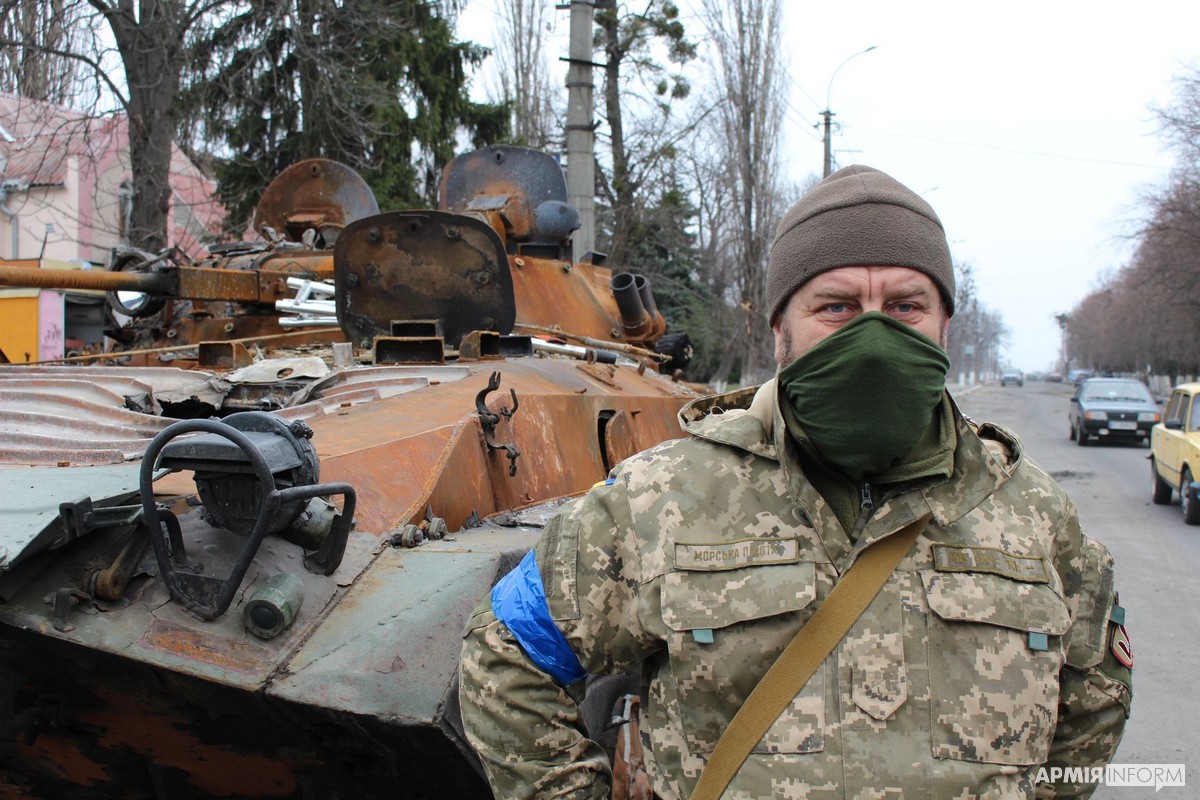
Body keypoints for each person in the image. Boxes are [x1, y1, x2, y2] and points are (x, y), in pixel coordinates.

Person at [458, 165, 1132, 799]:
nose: (874, 337)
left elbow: (1095, 697)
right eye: (837, 307)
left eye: (905, 306)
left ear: (944, 325)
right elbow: (507, 650)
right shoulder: (660, 498)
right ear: (779, 326)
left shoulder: (1033, 512)